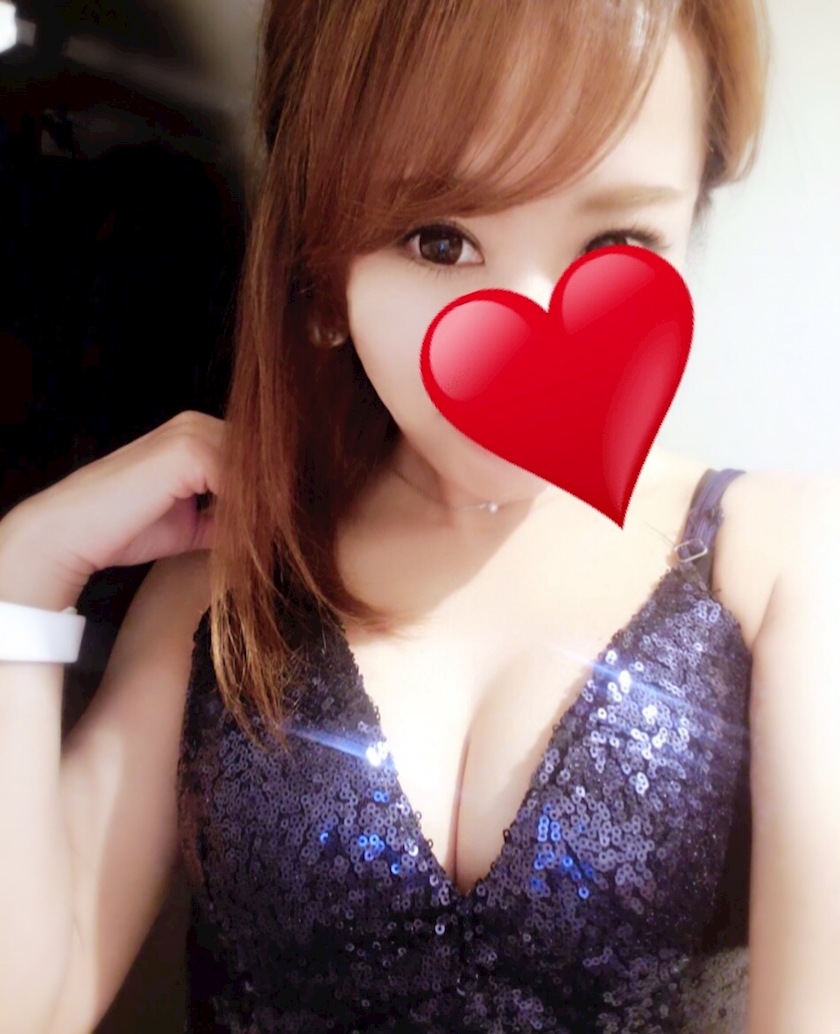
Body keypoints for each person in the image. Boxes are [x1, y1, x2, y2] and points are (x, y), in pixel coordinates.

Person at [1, 1, 838, 1032]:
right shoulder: (226, 584)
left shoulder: (781, 562)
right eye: (439, 240)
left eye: (617, 238)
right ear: (324, 280)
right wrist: (24, 573)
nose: (529, 323)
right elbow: (30, 1002)